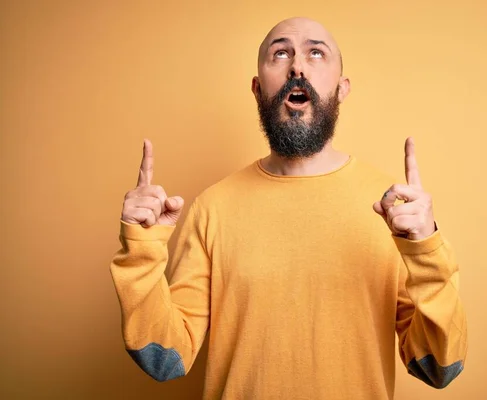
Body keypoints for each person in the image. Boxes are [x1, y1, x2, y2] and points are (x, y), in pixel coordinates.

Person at [110, 17, 468, 399]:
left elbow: (438, 367)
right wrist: (141, 252)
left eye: (316, 53)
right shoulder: (212, 208)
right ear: (257, 87)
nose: (297, 66)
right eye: (280, 53)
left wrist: (426, 248)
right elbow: (165, 358)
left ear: (342, 88)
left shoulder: (393, 210)